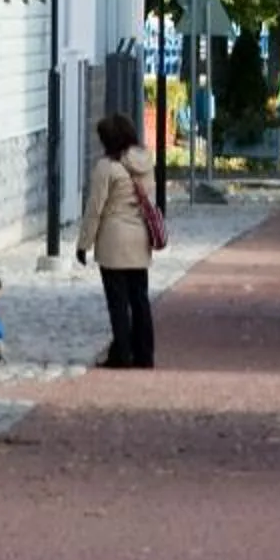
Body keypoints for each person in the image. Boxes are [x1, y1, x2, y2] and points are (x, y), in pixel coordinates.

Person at [75, 112, 158, 368]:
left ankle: (121, 353)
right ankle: (145, 353)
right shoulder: (145, 162)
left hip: (113, 240)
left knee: (118, 303)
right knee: (140, 299)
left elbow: (95, 208)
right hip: (139, 238)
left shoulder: (107, 167)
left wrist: (83, 243)